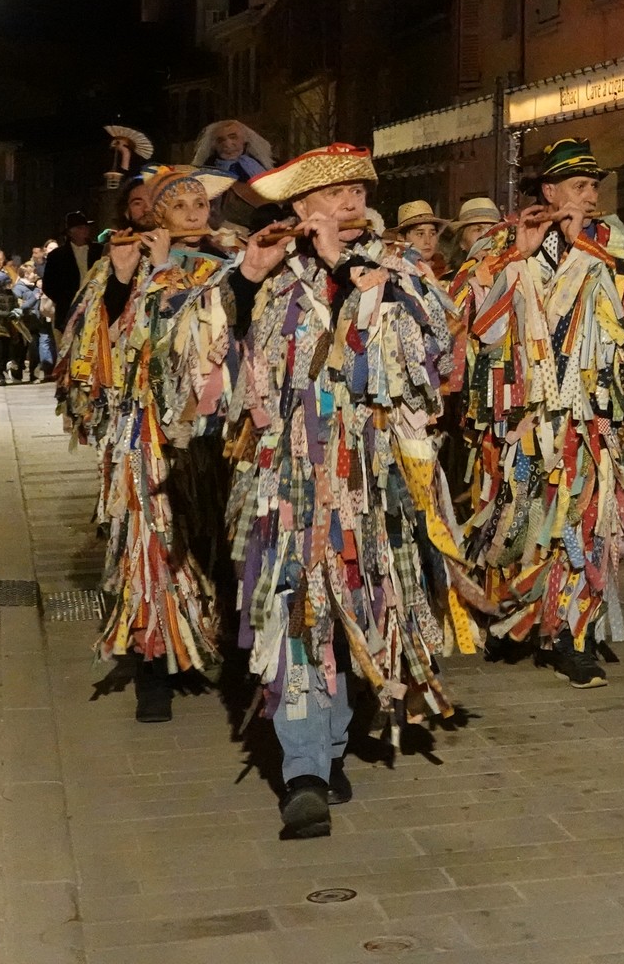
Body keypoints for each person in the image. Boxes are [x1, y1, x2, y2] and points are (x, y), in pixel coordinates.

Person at [224, 144, 480, 838]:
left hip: (372, 484)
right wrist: (246, 280)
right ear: (300, 207)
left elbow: (429, 355)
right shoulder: (268, 272)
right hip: (294, 482)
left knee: (358, 611)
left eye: (358, 191)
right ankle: (303, 768)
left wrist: (347, 270)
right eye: (334, 192)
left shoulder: (401, 271)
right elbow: (219, 352)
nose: (350, 203)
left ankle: (332, 745)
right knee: (300, 612)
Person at [451, 137, 624, 688]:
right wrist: (518, 258)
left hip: (589, 417)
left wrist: (583, 247)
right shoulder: (502, 244)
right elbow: (469, 319)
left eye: (594, 185)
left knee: (582, 522)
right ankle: (518, 615)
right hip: (519, 421)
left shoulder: (615, 246)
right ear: (549, 191)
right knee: (518, 515)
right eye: (578, 185)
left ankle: (572, 633)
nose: (590, 194)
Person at [57, 165, 237, 722]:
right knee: (153, 546)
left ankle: (216, 648)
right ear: (152, 212)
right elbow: (99, 343)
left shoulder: (221, 265)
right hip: (147, 434)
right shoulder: (126, 264)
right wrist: (123, 277)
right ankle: (154, 667)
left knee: (213, 538)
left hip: (212, 436)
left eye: (199, 203)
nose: (192, 211)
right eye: (177, 204)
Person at [41, 211, 97, 343]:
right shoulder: (57, 256)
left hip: (94, 308)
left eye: (85, 227)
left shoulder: (98, 251)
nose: (84, 230)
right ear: (70, 232)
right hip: (67, 312)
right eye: (80, 228)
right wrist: (66, 300)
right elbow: (48, 285)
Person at [192, 118, 275, 182]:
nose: (227, 144)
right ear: (214, 145)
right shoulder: (207, 171)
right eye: (220, 140)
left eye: (233, 137)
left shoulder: (258, 163)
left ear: (244, 138)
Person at [440, 196, 502, 275]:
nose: (486, 235)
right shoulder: (449, 283)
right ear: (461, 242)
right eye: (478, 230)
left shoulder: (511, 275)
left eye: (492, 229)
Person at [391, 200, 447, 276]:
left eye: (432, 234)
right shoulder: (394, 274)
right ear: (402, 238)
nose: (427, 241)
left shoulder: (447, 273)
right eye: (420, 234)